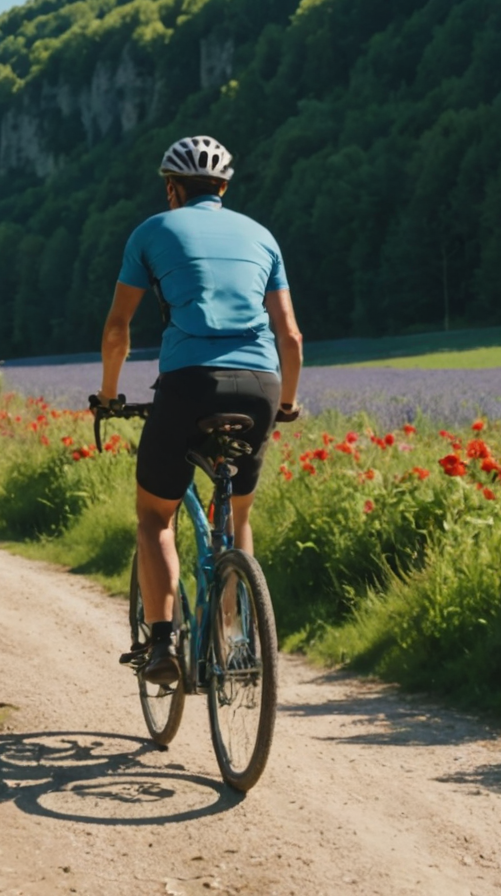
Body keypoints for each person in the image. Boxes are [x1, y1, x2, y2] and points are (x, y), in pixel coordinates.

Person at [96, 135, 302, 686]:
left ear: (172, 189)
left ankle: (162, 645)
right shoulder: (262, 236)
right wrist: (285, 404)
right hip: (261, 383)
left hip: (190, 383)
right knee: (237, 516)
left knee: (153, 516)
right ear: (224, 188)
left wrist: (110, 395)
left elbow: (118, 328)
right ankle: (236, 638)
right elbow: (291, 336)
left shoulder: (152, 231)